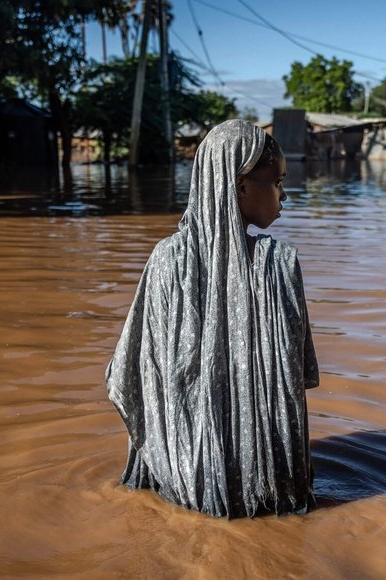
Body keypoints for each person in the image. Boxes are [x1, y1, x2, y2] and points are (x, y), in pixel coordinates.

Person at [106, 119, 319, 518]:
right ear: (240, 187)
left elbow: (132, 374)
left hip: (183, 481)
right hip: (271, 489)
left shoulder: (166, 261)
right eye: (277, 182)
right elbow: (299, 376)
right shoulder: (278, 262)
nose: (285, 194)